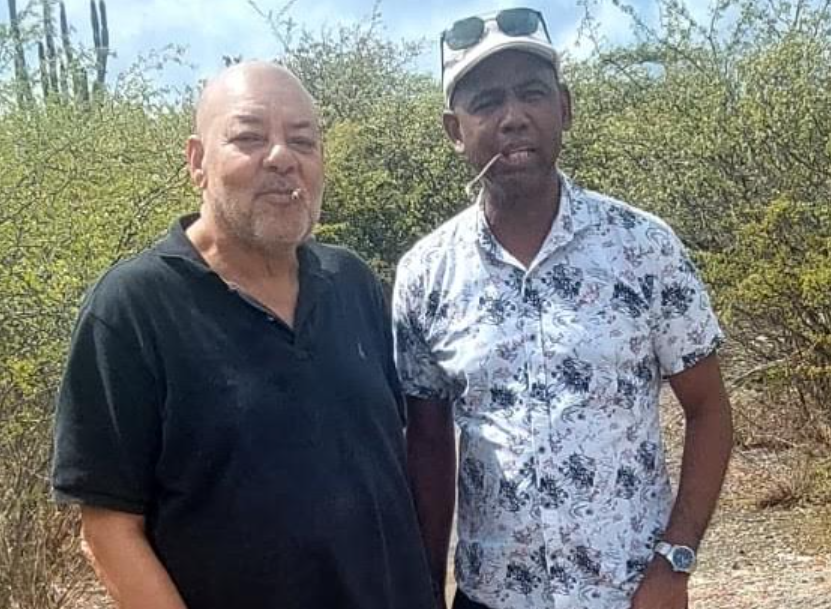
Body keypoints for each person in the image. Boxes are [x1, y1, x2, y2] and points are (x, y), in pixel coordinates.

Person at [52, 61, 435, 609]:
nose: (282, 158)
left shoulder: (352, 283)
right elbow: (109, 530)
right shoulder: (133, 309)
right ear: (197, 162)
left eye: (302, 140)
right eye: (249, 138)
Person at [393, 8, 733, 609]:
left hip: (630, 594)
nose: (513, 117)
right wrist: (424, 588)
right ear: (454, 131)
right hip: (491, 597)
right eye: (486, 102)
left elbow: (708, 409)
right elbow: (428, 444)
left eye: (532, 93)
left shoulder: (644, 247)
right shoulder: (425, 274)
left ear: (565, 108)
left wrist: (675, 561)